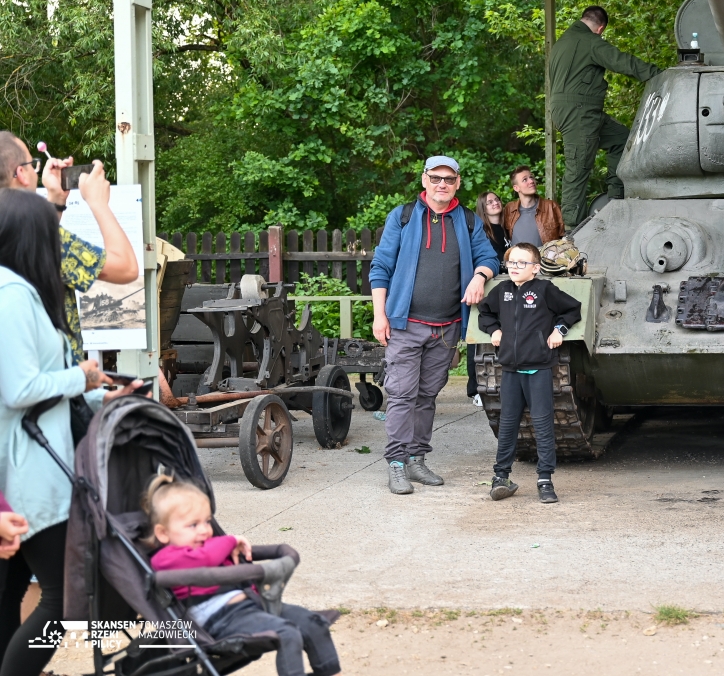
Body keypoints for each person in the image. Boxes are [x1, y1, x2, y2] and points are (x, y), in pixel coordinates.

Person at [0, 189, 140, 676]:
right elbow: (19, 390)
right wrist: (81, 376)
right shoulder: (12, 296)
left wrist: (101, 397)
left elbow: (40, 387)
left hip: (28, 469)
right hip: (31, 474)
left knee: (17, 593)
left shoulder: (21, 293)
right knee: (62, 600)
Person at [369, 156, 499, 496]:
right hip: (405, 324)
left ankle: (416, 459)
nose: (442, 184)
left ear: (458, 183)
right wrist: (380, 315)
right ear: (425, 180)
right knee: (402, 395)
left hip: (446, 328)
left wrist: (479, 277)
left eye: (449, 179)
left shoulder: (467, 220)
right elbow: (381, 267)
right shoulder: (403, 217)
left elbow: (489, 258)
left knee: (427, 397)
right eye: (436, 177)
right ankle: (396, 463)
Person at [144, 474, 340, 676]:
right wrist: (230, 541)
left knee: (313, 623)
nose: (204, 530)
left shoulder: (210, 545)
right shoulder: (165, 558)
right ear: (163, 533)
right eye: (193, 525)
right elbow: (206, 558)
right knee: (286, 634)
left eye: (207, 521)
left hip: (253, 605)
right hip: (220, 620)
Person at [0, 131, 139, 361]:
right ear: (21, 174)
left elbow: (40, 253)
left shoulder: (18, 231)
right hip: (56, 375)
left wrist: (56, 201)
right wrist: (98, 203)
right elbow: (126, 268)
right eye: (33, 164)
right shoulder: (40, 236)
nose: (36, 171)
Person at [477, 242, 582, 504]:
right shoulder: (502, 291)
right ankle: (501, 476)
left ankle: (545, 479)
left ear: (535, 268)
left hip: (538, 368)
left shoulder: (544, 289)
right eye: (511, 262)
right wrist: (494, 330)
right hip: (511, 370)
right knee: (508, 424)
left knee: (542, 424)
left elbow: (572, 309)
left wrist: (559, 330)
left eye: (521, 263)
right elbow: (485, 312)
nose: (514, 267)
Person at [549, 6, 662, 229]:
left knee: (622, 140)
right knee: (578, 168)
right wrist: (660, 75)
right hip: (579, 113)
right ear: (600, 29)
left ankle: (615, 198)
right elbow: (622, 61)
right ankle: (572, 230)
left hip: (581, 112)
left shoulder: (562, 42)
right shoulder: (589, 41)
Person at [466, 191, 510, 406]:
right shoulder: (481, 232)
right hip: (486, 287)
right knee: (478, 338)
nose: (494, 203)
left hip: (508, 287)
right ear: (482, 208)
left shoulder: (508, 229)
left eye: (496, 200)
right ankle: (475, 389)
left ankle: (499, 384)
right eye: (489, 202)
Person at [502, 166, 564, 247]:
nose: (531, 181)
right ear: (516, 188)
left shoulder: (551, 206)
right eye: (525, 180)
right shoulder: (509, 209)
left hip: (546, 255)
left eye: (531, 177)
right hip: (517, 255)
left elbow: (564, 237)